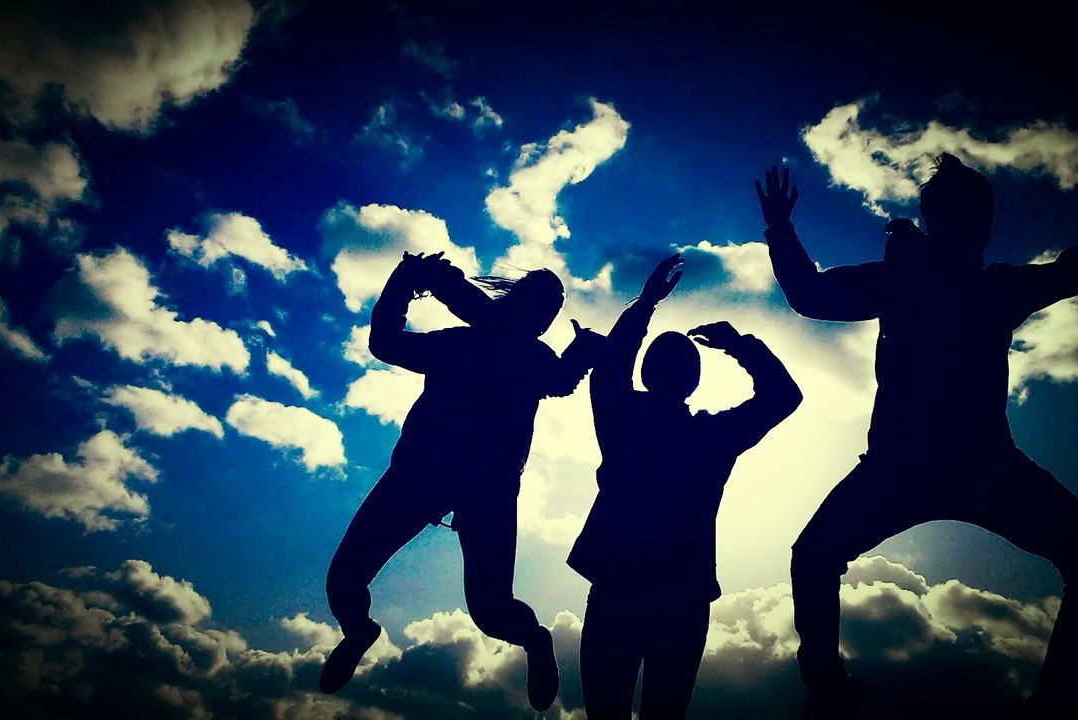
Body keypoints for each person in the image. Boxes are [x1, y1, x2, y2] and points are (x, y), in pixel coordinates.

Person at [758, 123, 1078, 718]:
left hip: (962, 465)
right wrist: (780, 231)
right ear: (945, 224)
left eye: (978, 219)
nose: (975, 231)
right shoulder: (925, 283)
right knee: (813, 556)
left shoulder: (977, 287)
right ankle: (831, 693)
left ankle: (1054, 702)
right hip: (926, 467)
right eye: (964, 219)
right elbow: (811, 295)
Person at [320, 251, 603, 711]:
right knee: (343, 580)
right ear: (519, 304)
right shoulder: (466, 342)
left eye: (553, 314)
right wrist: (402, 285)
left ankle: (535, 640)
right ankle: (359, 632)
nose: (547, 320)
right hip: (417, 477)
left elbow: (560, 380)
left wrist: (584, 350)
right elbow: (386, 344)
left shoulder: (532, 357)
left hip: (484, 493)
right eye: (543, 308)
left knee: (492, 610)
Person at [568, 254, 803, 718]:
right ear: (693, 381)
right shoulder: (712, 436)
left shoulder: (622, 418)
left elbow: (612, 364)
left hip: (620, 584)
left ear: (647, 373)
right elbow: (784, 396)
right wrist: (740, 346)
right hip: (681, 594)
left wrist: (646, 303)